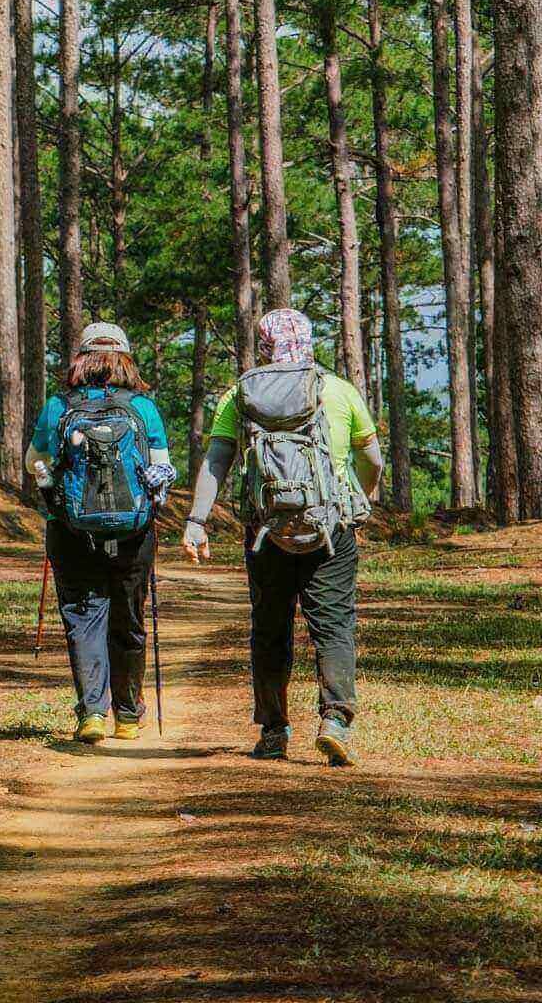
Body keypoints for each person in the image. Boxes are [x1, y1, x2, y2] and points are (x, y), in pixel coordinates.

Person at [182, 306, 383, 766]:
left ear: (264, 346)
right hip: (330, 530)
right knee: (333, 625)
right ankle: (335, 720)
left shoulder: (241, 394)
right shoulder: (337, 390)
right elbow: (373, 458)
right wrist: (359, 500)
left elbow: (217, 460)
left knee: (270, 629)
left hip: (265, 533)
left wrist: (198, 520)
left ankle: (274, 730)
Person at [28, 321, 175, 744]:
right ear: (125, 359)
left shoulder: (59, 405)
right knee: (127, 618)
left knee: (83, 616)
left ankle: (92, 712)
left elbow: (32, 462)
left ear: (81, 359)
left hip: (71, 530)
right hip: (133, 533)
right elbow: (160, 472)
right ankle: (127, 715)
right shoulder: (143, 408)